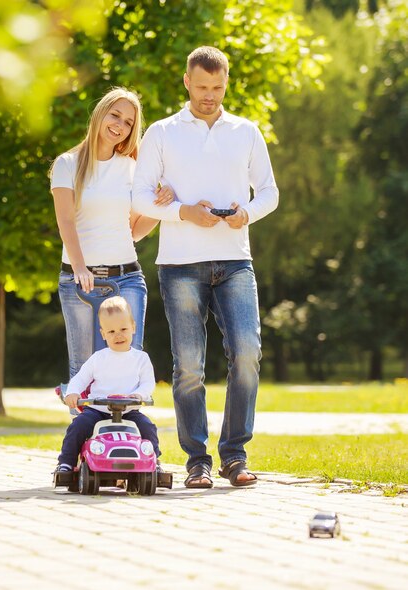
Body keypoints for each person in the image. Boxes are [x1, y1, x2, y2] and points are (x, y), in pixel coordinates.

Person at [132, 46, 279, 488]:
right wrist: (182, 212)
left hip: (235, 259)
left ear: (226, 83)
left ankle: (234, 456)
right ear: (187, 82)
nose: (209, 96)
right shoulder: (161, 133)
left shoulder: (246, 131)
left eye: (217, 88)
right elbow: (139, 197)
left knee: (248, 353)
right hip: (180, 264)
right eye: (201, 87)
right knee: (190, 366)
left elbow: (269, 191)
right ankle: (197, 460)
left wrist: (246, 214)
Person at [50, 87, 174, 385]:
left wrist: (160, 207)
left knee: (127, 364)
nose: (120, 125)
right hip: (79, 280)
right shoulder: (67, 165)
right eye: (115, 115)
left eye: (129, 122)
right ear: (100, 113)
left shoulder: (132, 169)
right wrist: (80, 267)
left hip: (126, 278)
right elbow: (65, 220)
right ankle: (84, 431)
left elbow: (133, 231)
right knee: (83, 369)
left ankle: (124, 432)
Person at [55, 296, 160, 472]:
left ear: (133, 327)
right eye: (111, 332)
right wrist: (72, 392)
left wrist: (139, 395)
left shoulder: (141, 359)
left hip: (128, 411)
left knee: (148, 428)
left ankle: (154, 463)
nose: (118, 335)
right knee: (78, 426)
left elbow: (148, 383)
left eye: (123, 329)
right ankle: (66, 462)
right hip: (98, 411)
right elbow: (81, 378)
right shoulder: (98, 358)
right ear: (103, 334)